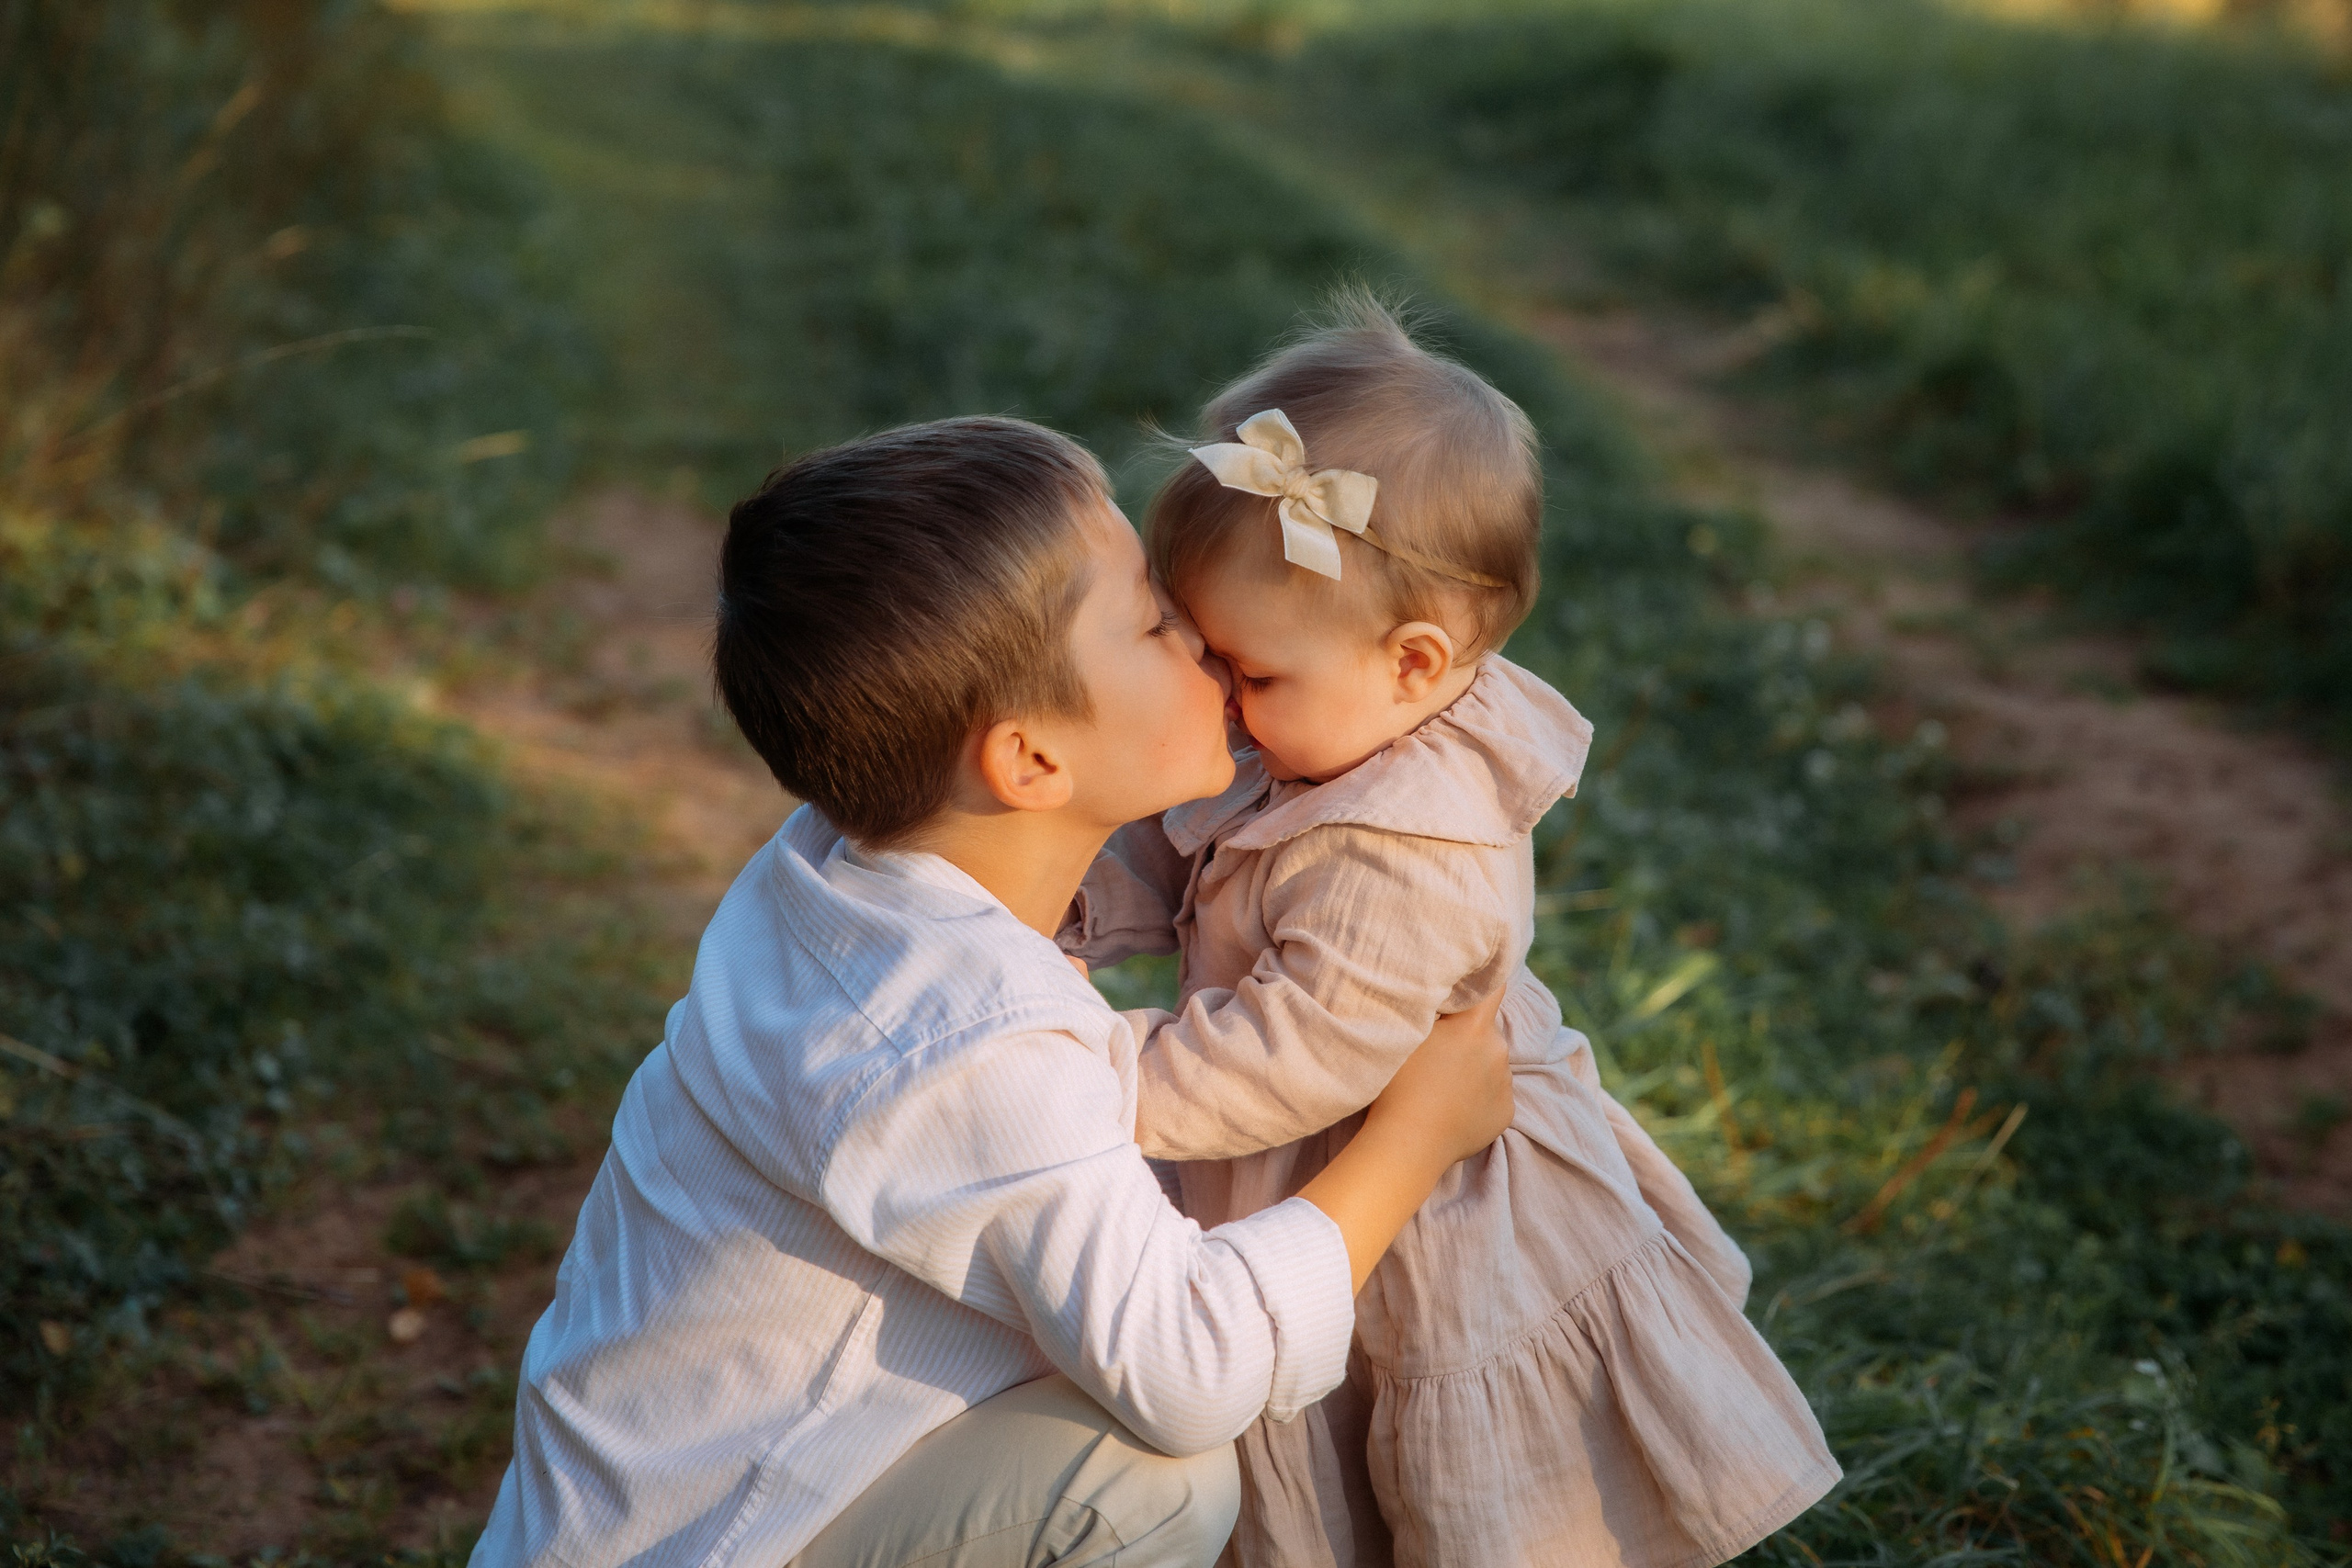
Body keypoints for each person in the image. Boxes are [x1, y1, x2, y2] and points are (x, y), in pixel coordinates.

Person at [469, 416, 1516, 1568]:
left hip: (628, 1522)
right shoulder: (972, 1044)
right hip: (722, 1543)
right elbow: (1188, 1366)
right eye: (1153, 620)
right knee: (1135, 1482)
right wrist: (1414, 1140)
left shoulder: (827, 872)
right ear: (1029, 764)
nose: (1206, 637)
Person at [1058, 298, 1841, 1567]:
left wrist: (1082, 1078)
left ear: (1418, 664)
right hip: (1297, 1159)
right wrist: (1067, 902)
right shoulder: (1321, 723)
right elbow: (1188, 834)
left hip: (1430, 1204)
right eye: (1201, 648)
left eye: (1248, 670)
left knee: (1438, 1470)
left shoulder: (1403, 850)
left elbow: (1287, 1058)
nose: (1219, 698)